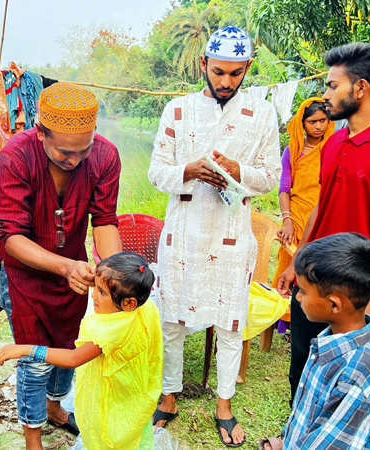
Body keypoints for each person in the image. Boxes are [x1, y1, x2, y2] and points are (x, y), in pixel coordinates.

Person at [148, 26, 281, 447]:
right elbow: (156, 172)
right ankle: (168, 395)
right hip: (182, 235)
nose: (226, 82)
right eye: (219, 71)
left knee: (230, 323)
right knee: (171, 319)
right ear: (203, 64)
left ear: (247, 69)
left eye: (236, 74)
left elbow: (271, 177)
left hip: (231, 235)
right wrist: (189, 170)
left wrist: (238, 172)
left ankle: (224, 403)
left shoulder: (262, 114)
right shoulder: (177, 110)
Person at [276, 42, 370, 402]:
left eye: (332, 85)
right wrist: (296, 262)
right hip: (313, 276)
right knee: (301, 367)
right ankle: (298, 432)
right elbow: (319, 207)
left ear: (360, 88)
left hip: (356, 286)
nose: (325, 95)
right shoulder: (333, 141)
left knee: (343, 378)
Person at [0, 82, 122, 450]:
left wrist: (113, 274)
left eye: (85, 149)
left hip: (74, 275)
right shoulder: (15, 157)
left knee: (69, 347)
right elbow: (12, 238)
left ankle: (55, 408)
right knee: (33, 362)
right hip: (25, 276)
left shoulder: (106, 156)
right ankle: (33, 439)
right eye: (65, 152)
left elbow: (105, 220)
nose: (75, 161)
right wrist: (65, 267)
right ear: (40, 132)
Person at [0, 252, 163, 450]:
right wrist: (101, 280)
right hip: (131, 396)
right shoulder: (145, 308)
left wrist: (26, 349)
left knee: (114, 439)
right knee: (134, 429)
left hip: (111, 406)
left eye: (101, 292)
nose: (93, 295)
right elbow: (115, 289)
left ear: (128, 303)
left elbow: (73, 358)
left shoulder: (111, 333)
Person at [259, 232, 370, 450]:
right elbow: (309, 410)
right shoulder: (330, 341)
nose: (298, 297)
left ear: (334, 305)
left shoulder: (356, 370)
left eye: (302, 291)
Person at [273, 98, 334, 336]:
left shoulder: (334, 148)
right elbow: (284, 188)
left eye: (322, 121)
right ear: (302, 123)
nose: (318, 126)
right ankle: (287, 323)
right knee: (289, 267)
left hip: (324, 215)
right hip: (296, 217)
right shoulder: (293, 150)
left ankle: (320, 319)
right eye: (312, 121)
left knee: (320, 271)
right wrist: (287, 220)